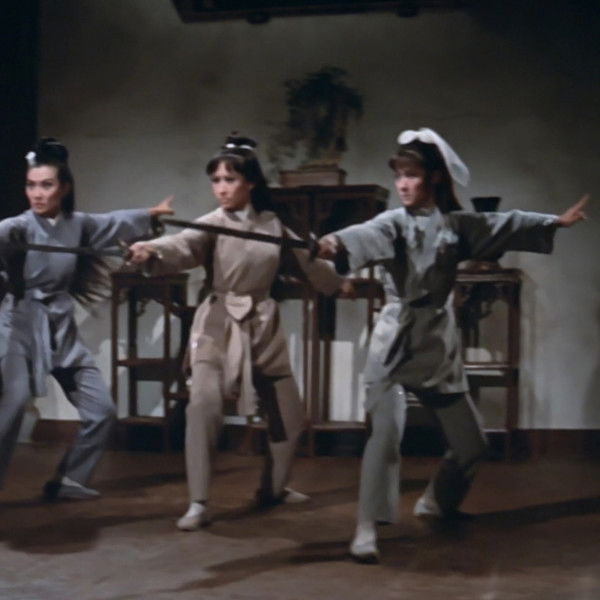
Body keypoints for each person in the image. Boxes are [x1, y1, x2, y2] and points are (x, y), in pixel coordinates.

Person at [317, 127, 589, 563]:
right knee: (384, 434)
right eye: (398, 175)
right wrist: (334, 243)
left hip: (436, 340)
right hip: (394, 339)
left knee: (472, 444)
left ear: (435, 177)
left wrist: (552, 222)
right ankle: (367, 527)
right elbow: (364, 234)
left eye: (411, 175)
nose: (402, 184)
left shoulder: (456, 226)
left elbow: (500, 224)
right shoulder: (392, 222)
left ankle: (438, 502)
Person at [128, 134, 350, 531]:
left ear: (250, 182)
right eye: (216, 180)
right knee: (204, 405)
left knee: (289, 414)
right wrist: (151, 251)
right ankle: (198, 502)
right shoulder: (211, 224)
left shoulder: (273, 225)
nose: (222, 188)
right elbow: (181, 245)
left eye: (229, 179)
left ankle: (273, 489)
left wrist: (338, 283)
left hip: (262, 322)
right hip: (218, 322)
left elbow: (309, 262)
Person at [0, 137, 174, 500]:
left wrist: (151, 215)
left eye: (46, 185)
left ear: (63, 187)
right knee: (12, 405)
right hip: (20, 324)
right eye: (31, 185)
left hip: (60, 327)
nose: (37, 194)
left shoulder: (78, 224)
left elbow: (113, 223)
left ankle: (71, 479)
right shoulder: (18, 227)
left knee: (102, 410)